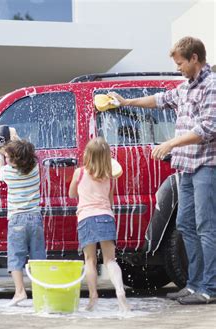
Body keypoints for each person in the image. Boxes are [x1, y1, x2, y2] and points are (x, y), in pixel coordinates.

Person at [109, 36, 215, 305]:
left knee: (206, 227)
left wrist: (170, 143)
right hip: (186, 167)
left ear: (194, 58)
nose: (178, 67)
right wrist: (125, 102)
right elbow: (158, 100)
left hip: (206, 166)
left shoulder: (211, 86)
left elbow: (207, 129)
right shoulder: (185, 88)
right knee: (185, 226)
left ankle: (209, 289)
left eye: (180, 63)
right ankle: (193, 285)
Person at [69, 137, 130, 312]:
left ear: (87, 154)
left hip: (86, 218)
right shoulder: (110, 177)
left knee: (90, 260)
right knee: (110, 260)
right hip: (105, 217)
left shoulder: (79, 173)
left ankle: (93, 296)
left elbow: (72, 194)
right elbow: (109, 200)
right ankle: (120, 291)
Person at [0, 139, 46, 307]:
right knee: (38, 257)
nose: (6, 157)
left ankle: (20, 292)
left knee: (16, 257)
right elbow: (23, 153)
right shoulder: (35, 169)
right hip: (35, 218)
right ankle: (40, 293)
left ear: (14, 160)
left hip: (17, 219)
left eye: (8, 156)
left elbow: (0, 168)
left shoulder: (8, 173)